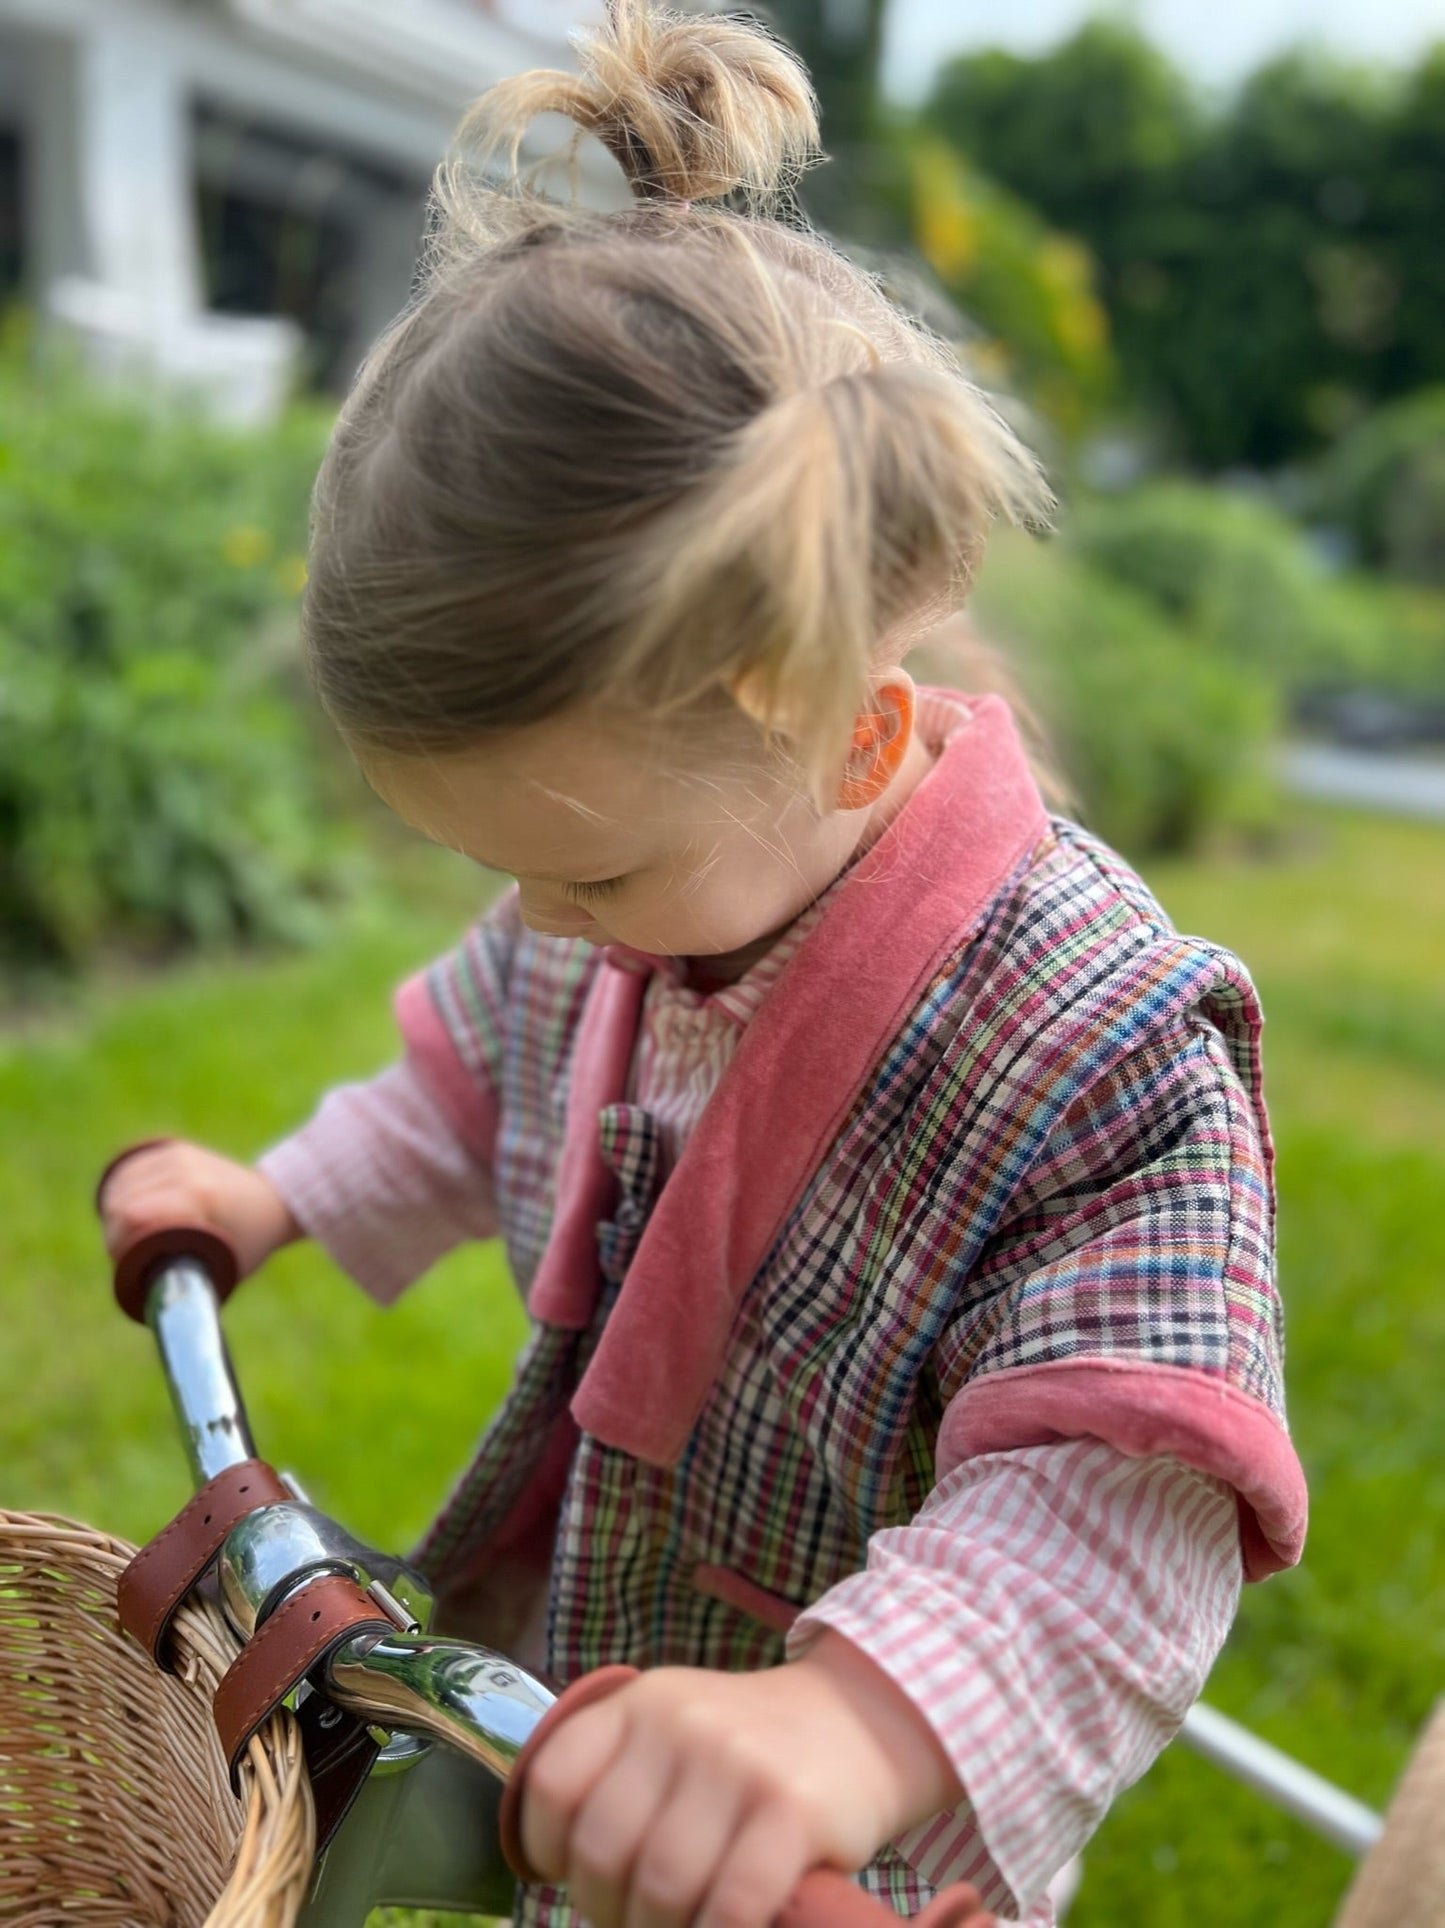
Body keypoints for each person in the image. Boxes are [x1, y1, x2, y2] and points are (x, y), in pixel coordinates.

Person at [97, 5, 1308, 1923]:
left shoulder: (1098, 1053)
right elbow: (464, 1078)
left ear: (840, 729)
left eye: (583, 868)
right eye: (501, 869)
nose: (547, 927)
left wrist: (847, 1726)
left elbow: (1115, 1487)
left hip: (838, 1835)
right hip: (609, 1676)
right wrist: (279, 1195)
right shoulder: (647, 894)